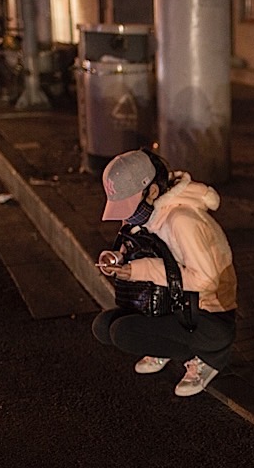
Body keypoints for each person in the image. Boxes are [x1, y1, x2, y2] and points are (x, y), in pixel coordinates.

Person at [92, 149, 237, 397]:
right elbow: (140, 251)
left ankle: (209, 357)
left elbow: (207, 281)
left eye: (128, 204)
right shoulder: (146, 214)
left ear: (153, 191)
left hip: (208, 315)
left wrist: (138, 270)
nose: (125, 215)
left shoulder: (182, 219)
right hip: (171, 305)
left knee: (123, 332)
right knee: (103, 326)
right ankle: (168, 346)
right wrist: (118, 260)